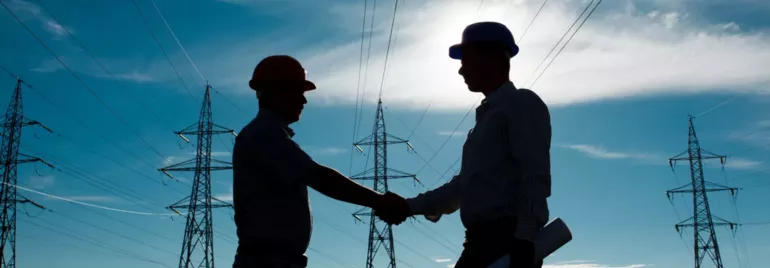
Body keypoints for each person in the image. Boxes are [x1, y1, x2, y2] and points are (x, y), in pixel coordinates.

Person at [377, 22, 552, 268]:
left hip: (505, 243)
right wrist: (408, 206)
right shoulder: (484, 122)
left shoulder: (521, 104)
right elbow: (463, 187)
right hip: (482, 245)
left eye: (466, 60)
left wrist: (524, 240)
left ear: (491, 59)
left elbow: (535, 175)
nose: (461, 71)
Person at [232, 55, 411, 268]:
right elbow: (319, 177)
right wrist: (380, 202)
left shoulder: (268, 135)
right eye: (297, 92)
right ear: (275, 91)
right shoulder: (264, 135)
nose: (304, 100)